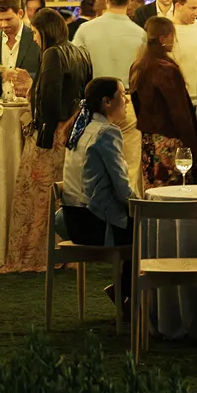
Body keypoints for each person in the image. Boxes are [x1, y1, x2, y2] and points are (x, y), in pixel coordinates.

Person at [0, 9, 91, 273]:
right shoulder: (80, 52)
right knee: (65, 195)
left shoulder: (53, 54)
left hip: (50, 136)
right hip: (71, 134)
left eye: (37, 33)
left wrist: (44, 137)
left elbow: (50, 99)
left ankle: (33, 256)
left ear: (46, 31)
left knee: (36, 197)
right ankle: (65, 252)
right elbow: (86, 93)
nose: (35, 39)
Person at [73, 0, 145, 193]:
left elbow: (76, 67)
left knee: (94, 163)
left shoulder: (85, 30)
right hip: (127, 102)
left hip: (95, 105)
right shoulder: (140, 33)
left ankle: (99, 217)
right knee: (130, 166)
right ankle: (130, 219)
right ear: (129, 1)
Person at [61, 78, 135, 262]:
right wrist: (144, 206)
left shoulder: (79, 129)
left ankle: (124, 288)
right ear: (107, 102)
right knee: (150, 228)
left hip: (72, 222)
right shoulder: (106, 132)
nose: (126, 101)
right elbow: (122, 189)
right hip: (95, 225)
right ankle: (132, 288)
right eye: (123, 95)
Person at [129, 17, 197, 188]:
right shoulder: (165, 69)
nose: (174, 41)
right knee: (175, 194)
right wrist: (193, 146)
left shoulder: (138, 66)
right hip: (169, 141)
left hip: (148, 141)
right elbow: (179, 112)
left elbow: (136, 103)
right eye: (171, 36)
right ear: (162, 38)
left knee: (153, 192)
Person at [0, 0, 42, 97]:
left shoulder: (36, 38)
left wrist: (27, 79)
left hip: (27, 107)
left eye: (8, 19)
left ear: (20, 13)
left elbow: (46, 76)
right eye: (0, 19)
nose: (4, 24)